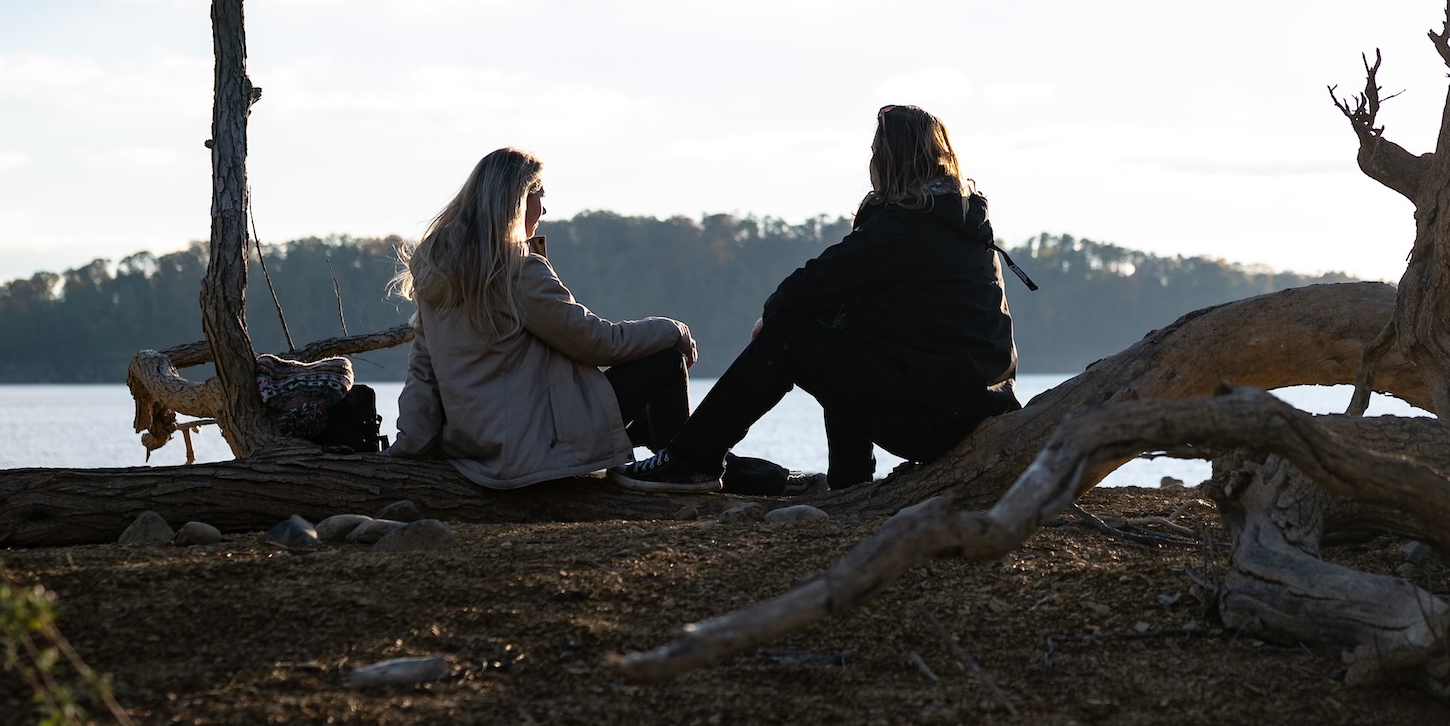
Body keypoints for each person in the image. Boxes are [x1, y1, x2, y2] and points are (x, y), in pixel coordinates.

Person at [616, 104, 1020, 493]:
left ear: (889, 160)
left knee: (786, 336)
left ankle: (690, 462)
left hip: (935, 418)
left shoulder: (907, 227)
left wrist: (774, 316)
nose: (871, 164)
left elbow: (812, 284)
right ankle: (850, 479)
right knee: (838, 327)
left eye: (876, 153)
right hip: (973, 407)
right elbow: (836, 296)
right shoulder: (959, 223)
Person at [390, 147, 697, 489]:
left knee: (630, 408)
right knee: (666, 361)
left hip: (477, 451)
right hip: (535, 449)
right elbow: (598, 343)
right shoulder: (518, 272)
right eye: (539, 195)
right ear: (516, 201)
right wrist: (674, 328)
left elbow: (423, 372)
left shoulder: (437, 274)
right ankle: (680, 473)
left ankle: (672, 457)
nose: (545, 208)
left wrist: (408, 448)